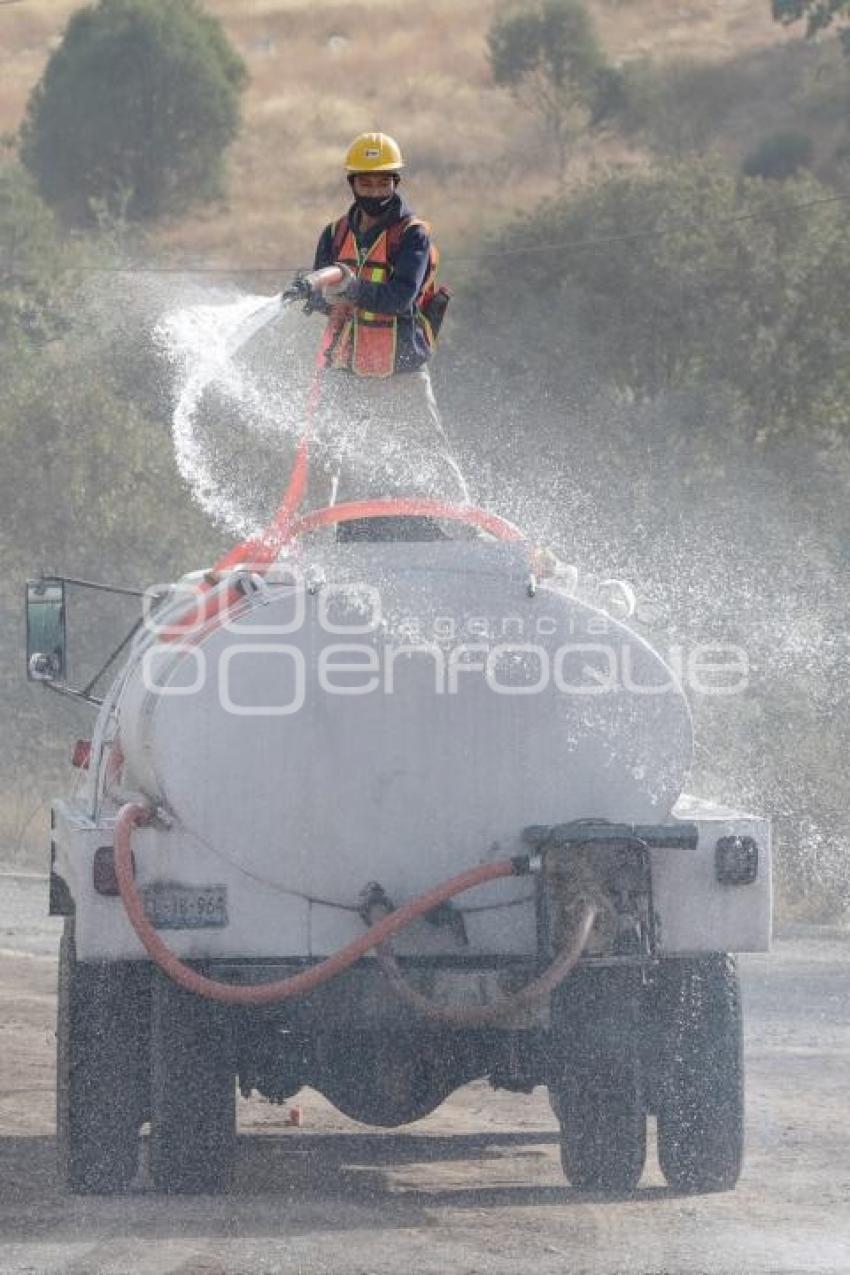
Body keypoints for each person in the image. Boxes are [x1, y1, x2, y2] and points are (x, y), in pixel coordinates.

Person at [304, 131, 469, 532]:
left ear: (395, 183)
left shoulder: (412, 235)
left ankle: (471, 532)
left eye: (382, 181)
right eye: (366, 181)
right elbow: (327, 295)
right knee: (323, 456)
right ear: (353, 184)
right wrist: (312, 296)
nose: (374, 189)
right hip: (346, 368)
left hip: (400, 370)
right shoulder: (334, 234)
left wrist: (352, 287)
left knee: (433, 455)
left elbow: (400, 297)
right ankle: (313, 541)